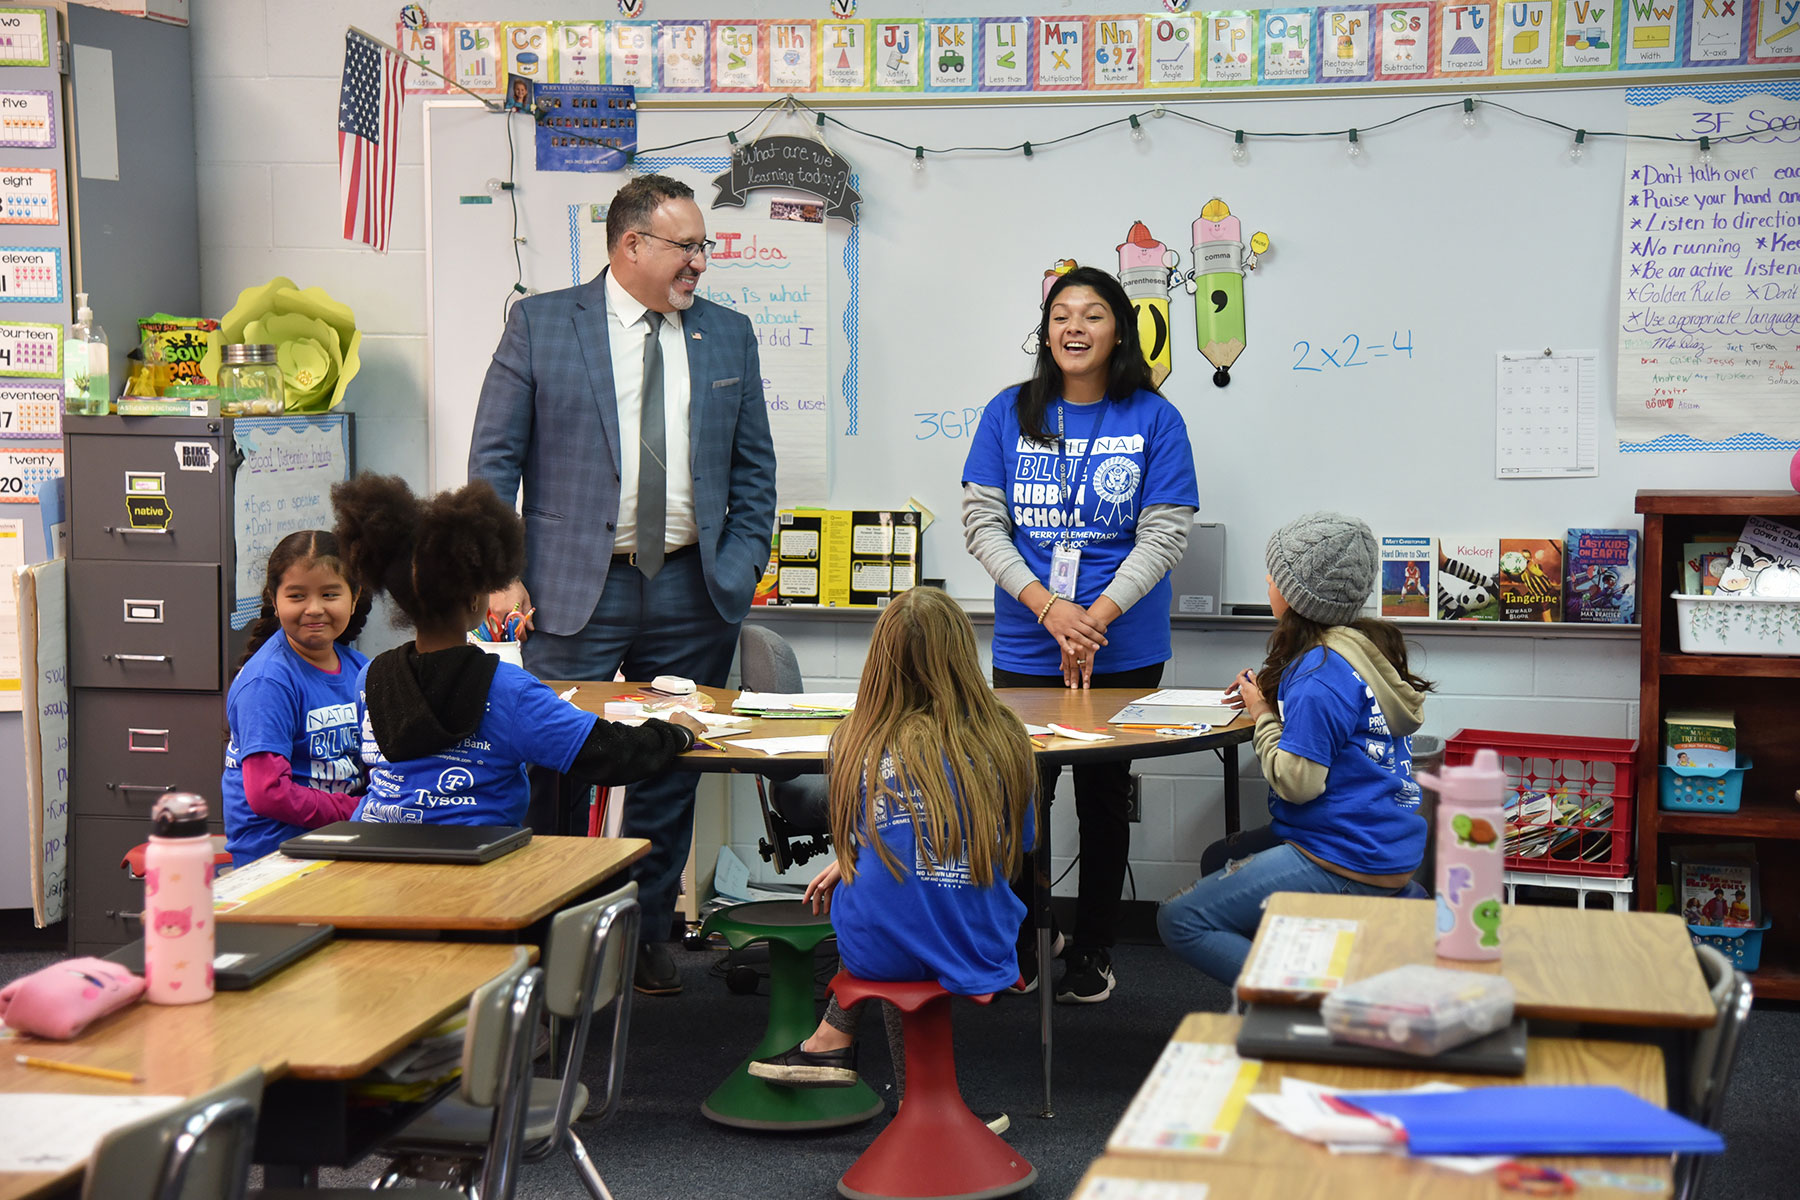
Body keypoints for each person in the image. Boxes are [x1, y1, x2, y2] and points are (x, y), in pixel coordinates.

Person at [469, 173, 777, 995]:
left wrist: (739, 570)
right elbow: (492, 463)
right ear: (630, 245)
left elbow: (755, 471)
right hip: (572, 587)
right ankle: (548, 934)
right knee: (554, 761)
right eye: (688, 246)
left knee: (669, 764)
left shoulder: (728, 336)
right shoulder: (540, 324)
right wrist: (499, 573)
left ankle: (640, 932)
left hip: (692, 587)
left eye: (704, 247)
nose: (701, 264)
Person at [961, 264, 1199, 1004]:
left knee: (1102, 797)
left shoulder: (1155, 419)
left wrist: (1093, 618)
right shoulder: (1010, 412)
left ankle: (1093, 948)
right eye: (1061, 314)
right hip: (1031, 644)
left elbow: (1164, 534)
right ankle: (1033, 936)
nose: (1073, 327)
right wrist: (1050, 609)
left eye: (1092, 314)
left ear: (1119, 330)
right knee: (1020, 800)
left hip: (1121, 648)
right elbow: (981, 523)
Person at [746, 588, 1035, 1098]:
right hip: (982, 943)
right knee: (915, 906)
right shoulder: (1008, 737)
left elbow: (873, 834)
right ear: (964, 655)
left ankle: (847, 1054)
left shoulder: (859, 737)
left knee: (889, 910)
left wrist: (858, 857)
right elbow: (1020, 846)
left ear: (879, 661)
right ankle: (920, 1103)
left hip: (877, 950)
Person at [329, 473, 705, 828]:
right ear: (478, 600)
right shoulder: (508, 690)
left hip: (378, 856)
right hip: (478, 869)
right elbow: (605, 752)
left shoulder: (370, 677)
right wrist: (675, 734)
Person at [1157, 512, 1432, 985]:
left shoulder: (1318, 674)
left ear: (1299, 598)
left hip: (1343, 857)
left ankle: (1312, 993)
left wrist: (1264, 718)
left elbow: (1298, 784)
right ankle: (1305, 960)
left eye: (1276, 576)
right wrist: (1266, 698)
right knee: (1216, 859)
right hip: (1383, 844)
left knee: (1180, 919)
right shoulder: (1355, 653)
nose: (1267, 580)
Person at [222, 530, 373, 868]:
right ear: (274, 601)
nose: (314, 609)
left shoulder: (362, 670)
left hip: (344, 842)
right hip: (278, 857)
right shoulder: (267, 682)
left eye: (330, 593)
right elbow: (268, 792)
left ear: (354, 596)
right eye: (297, 596)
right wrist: (359, 811)